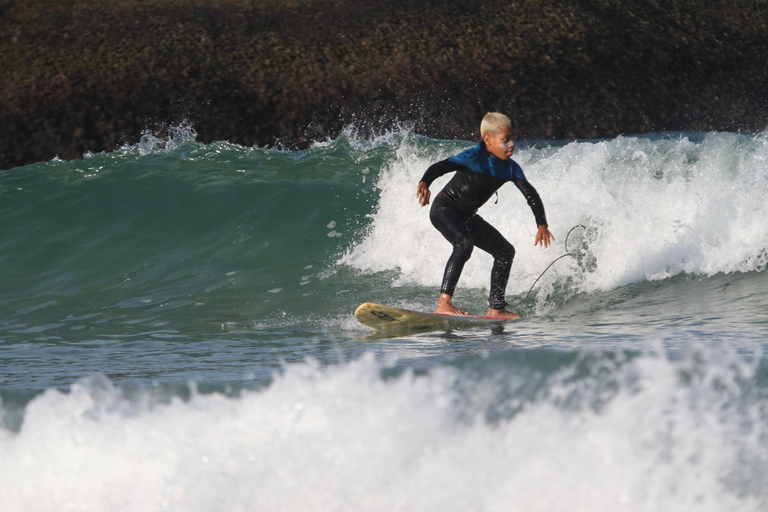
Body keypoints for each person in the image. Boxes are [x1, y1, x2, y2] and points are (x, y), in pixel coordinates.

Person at [416, 112, 555, 319]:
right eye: (505, 140)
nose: (511, 145)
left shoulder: (510, 168)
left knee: (505, 251)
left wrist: (541, 224)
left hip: (467, 215)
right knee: (464, 243)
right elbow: (441, 167)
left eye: (512, 139)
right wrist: (424, 182)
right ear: (488, 140)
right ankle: (443, 303)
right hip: (445, 208)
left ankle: (496, 308)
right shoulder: (472, 157)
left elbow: (531, 195)